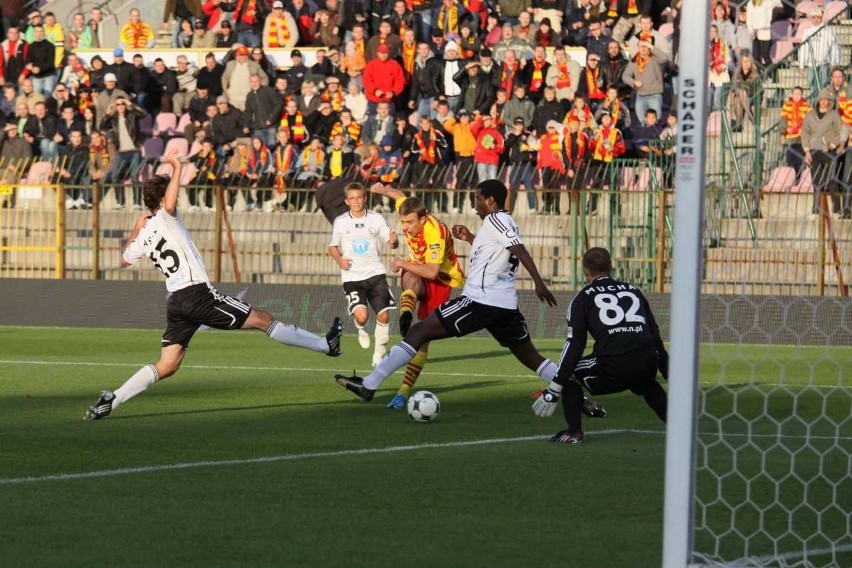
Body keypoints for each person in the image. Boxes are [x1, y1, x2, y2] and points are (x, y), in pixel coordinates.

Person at [84, 151, 344, 421]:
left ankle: (112, 400)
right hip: (197, 295)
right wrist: (176, 166)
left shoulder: (146, 232)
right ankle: (326, 345)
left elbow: (125, 259)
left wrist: (136, 229)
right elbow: (170, 204)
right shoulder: (165, 217)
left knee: (169, 363)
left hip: (176, 301)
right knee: (263, 319)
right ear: (162, 200)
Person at [335, 180, 574, 404]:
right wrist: (471, 238)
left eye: (477, 199)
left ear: (490, 201)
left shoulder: (496, 221)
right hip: (504, 305)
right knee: (530, 356)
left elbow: (519, 249)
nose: (474, 204)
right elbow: (499, 252)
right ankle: (576, 394)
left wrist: (538, 282)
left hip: (480, 301)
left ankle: (369, 385)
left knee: (418, 332)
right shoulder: (502, 222)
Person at [531, 247, 667, 444]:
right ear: (610, 267)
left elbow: (575, 345)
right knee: (648, 384)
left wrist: (554, 389)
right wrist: (666, 369)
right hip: (647, 363)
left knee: (569, 374)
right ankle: (679, 427)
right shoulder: (634, 291)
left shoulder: (582, 299)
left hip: (613, 367)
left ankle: (574, 432)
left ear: (586, 272)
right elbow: (654, 335)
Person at [368, 182, 466, 409]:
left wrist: (401, 262)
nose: (406, 227)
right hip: (416, 268)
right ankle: (405, 316)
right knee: (411, 276)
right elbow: (400, 195)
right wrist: (382, 189)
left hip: (441, 278)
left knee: (423, 339)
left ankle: (403, 391)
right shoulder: (408, 210)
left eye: (410, 222)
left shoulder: (435, 233)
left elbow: (432, 271)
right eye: (403, 222)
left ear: (423, 219)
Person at [329, 183, 400, 367]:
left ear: (365, 198)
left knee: (383, 316)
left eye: (359, 197)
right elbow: (333, 247)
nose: (356, 202)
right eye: (352, 198)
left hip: (375, 274)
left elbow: (391, 242)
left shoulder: (377, 219)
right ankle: (360, 328)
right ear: (347, 201)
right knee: (362, 316)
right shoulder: (341, 221)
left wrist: (394, 241)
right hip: (352, 277)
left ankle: (378, 354)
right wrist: (340, 261)